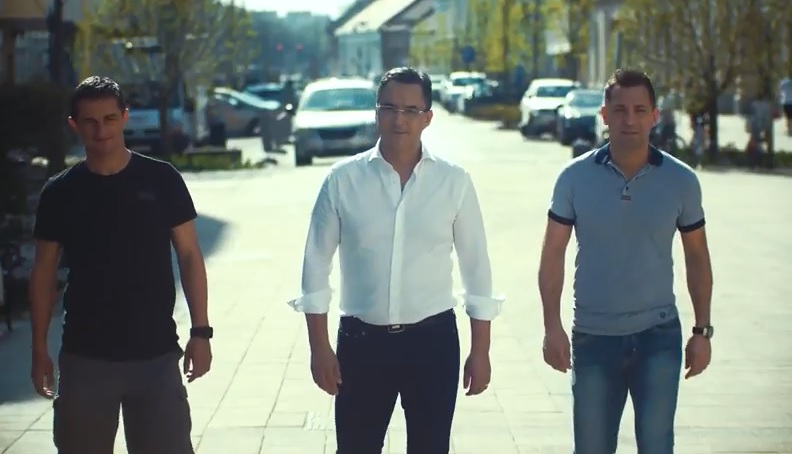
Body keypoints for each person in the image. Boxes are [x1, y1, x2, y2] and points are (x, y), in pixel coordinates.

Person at [289, 67, 504, 453]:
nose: (398, 120)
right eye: (389, 108)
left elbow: (477, 270)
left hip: (433, 342)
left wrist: (481, 350)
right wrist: (318, 347)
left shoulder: (453, 182)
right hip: (362, 343)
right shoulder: (343, 180)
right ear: (376, 112)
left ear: (428, 117)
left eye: (410, 110)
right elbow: (315, 265)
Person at [29, 76, 213, 454]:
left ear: (125, 117)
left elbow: (190, 255)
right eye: (91, 122)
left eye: (110, 119)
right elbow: (43, 272)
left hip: (156, 355)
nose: (102, 131)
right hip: (85, 358)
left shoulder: (162, 179)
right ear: (74, 125)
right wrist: (38, 347)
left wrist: (201, 332)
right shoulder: (60, 192)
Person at [538, 69, 714, 454]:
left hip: (658, 336)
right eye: (619, 110)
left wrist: (702, 331)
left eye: (639, 110)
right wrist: (552, 327)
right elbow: (552, 254)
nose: (629, 119)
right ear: (604, 115)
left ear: (655, 116)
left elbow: (697, 256)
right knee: (591, 447)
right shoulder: (573, 178)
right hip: (593, 337)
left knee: (656, 445)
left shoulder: (681, 181)